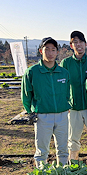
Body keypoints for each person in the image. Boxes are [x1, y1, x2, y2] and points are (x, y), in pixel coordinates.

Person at [21, 37, 71, 167]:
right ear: (40, 51)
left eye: (53, 50)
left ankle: (63, 174)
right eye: (46, 49)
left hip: (62, 116)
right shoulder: (32, 72)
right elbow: (26, 95)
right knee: (42, 150)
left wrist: (66, 106)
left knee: (63, 149)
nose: (50, 53)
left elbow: (67, 93)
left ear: (57, 52)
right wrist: (30, 111)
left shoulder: (63, 73)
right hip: (42, 116)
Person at [60, 31, 87, 161]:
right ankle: (74, 166)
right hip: (74, 108)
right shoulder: (66, 64)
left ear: (86, 44)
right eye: (75, 42)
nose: (79, 45)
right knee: (73, 139)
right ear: (71, 46)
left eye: (81, 42)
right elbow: (62, 86)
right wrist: (66, 103)